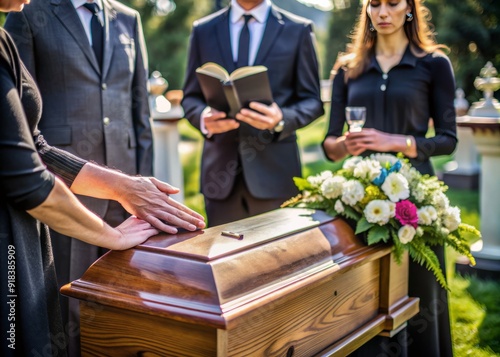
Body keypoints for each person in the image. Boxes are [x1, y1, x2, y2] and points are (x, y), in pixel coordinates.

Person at [0, 2, 205, 356]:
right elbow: (24, 165)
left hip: (90, 178)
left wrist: (130, 186)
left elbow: (36, 144)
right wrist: (109, 233)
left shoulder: (127, 17)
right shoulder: (28, 16)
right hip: (32, 210)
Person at [322, 0, 457, 356]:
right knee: (364, 299)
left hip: (416, 199)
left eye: (392, 3)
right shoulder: (348, 69)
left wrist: (397, 141)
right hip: (358, 199)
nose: (383, 12)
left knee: (419, 291)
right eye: (375, 4)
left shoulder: (434, 64)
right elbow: (329, 145)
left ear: (409, 9)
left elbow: (447, 139)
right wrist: (346, 145)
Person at [182, 0, 324, 226]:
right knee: (223, 258)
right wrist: (203, 118)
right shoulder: (203, 29)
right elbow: (190, 97)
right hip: (220, 178)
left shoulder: (298, 29)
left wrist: (281, 119)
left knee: (278, 257)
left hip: (276, 174)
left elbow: (313, 101)